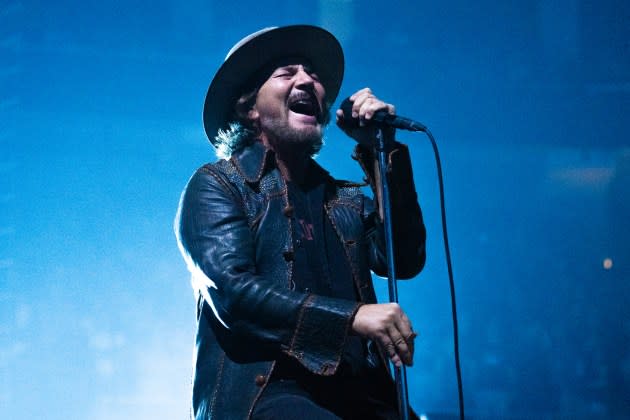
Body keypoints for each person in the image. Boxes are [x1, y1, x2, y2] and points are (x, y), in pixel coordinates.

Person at [175, 25, 426, 420]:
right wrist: (352, 318)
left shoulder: (343, 199)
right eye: (286, 73)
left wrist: (382, 149)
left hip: (361, 395)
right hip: (268, 394)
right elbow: (235, 297)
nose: (308, 80)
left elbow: (405, 258)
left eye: (312, 73)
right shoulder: (219, 185)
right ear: (248, 108)